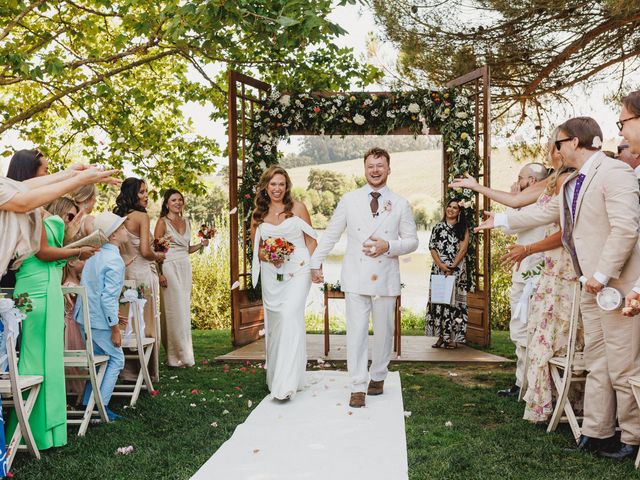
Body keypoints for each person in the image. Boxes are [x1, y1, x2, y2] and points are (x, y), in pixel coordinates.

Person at [479, 117, 640, 459]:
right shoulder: (572, 183)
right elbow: (545, 213)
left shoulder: (615, 173)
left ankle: (633, 436)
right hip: (589, 285)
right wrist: (502, 220)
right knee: (597, 360)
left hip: (616, 287)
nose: (554, 150)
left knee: (623, 363)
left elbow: (626, 229)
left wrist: (602, 274)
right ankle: (597, 431)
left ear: (574, 143)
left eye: (558, 142)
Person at [310, 147, 418, 408]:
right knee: (356, 333)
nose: (375, 170)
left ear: (389, 169)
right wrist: (315, 261)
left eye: (380, 165)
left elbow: (413, 241)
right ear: (365, 168)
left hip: (385, 276)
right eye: (371, 166)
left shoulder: (401, 203)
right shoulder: (349, 200)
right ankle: (357, 385)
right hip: (356, 276)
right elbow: (332, 234)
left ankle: (378, 375)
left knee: (384, 333)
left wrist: (389, 246)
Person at [6, 197, 98, 450]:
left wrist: (71, 237)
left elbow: (53, 256)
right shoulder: (34, 211)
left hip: (48, 287)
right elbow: (44, 253)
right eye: (68, 215)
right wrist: (78, 250)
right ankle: (29, 428)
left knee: (50, 361)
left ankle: (50, 431)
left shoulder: (43, 214)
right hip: (36, 291)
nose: (70, 220)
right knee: (34, 360)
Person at [250, 166, 317, 400]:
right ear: (265, 187)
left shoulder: (298, 208)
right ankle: (282, 374)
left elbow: (311, 241)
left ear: (287, 186)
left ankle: (285, 385)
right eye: (272, 184)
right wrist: (272, 256)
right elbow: (257, 251)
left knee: (290, 315)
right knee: (278, 324)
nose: (277, 188)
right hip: (272, 275)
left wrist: (312, 266)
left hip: (298, 271)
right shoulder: (258, 215)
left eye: (281, 184)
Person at [497, 163, 549, 397]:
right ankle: (522, 382)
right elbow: (509, 229)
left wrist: (515, 198)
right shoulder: (530, 204)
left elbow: (510, 224)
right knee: (519, 329)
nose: (517, 182)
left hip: (534, 273)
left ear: (533, 181)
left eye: (521, 178)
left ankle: (527, 385)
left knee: (526, 329)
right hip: (523, 272)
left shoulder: (541, 204)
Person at [75, 212, 128, 421]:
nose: (125, 230)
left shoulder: (95, 255)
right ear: (113, 235)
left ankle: (88, 403)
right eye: (122, 228)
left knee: (99, 361)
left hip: (85, 317)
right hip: (99, 320)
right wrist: (115, 328)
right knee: (116, 359)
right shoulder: (114, 260)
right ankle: (101, 408)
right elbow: (107, 298)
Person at [114, 177, 164, 382]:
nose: (146, 196)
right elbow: (145, 250)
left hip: (123, 273)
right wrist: (158, 255)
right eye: (142, 192)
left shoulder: (117, 216)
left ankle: (126, 371)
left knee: (126, 321)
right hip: (142, 272)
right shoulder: (142, 217)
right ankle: (146, 370)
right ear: (132, 194)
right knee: (145, 319)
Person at [155, 189, 207, 368]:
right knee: (174, 311)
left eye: (180, 200)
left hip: (185, 266)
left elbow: (185, 249)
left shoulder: (187, 221)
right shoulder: (162, 222)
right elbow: (156, 251)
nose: (177, 203)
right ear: (167, 203)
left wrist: (201, 245)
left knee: (183, 310)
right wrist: (159, 273)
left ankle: (184, 353)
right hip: (168, 266)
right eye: (173, 200)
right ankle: (176, 357)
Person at [425, 198, 469, 349]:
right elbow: (432, 247)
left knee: (454, 304)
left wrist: (452, 267)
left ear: (459, 211)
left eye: (455, 208)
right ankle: (440, 337)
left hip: (456, 271)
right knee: (439, 302)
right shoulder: (437, 227)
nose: (450, 209)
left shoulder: (462, 228)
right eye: (449, 206)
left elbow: (463, 249)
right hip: (439, 269)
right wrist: (441, 266)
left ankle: (453, 339)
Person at [62, 257, 87, 403]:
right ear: (71, 262)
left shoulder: (79, 281)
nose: (85, 262)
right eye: (81, 259)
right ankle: (75, 393)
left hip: (77, 325)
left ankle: (79, 392)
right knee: (76, 354)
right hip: (73, 327)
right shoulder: (70, 286)